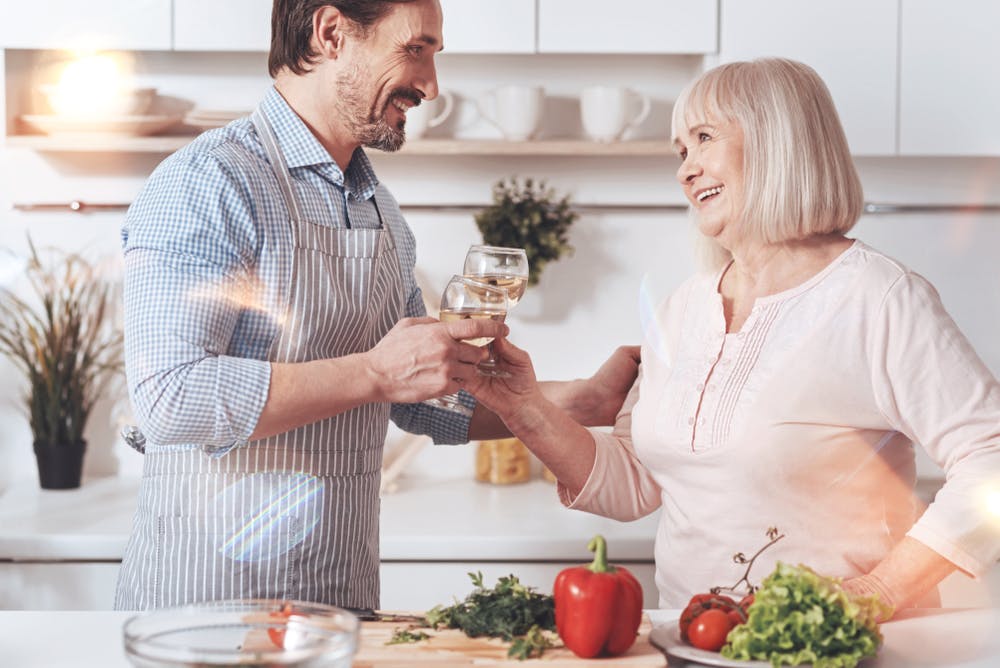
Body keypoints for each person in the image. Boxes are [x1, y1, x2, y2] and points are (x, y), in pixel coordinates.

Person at [114, 0, 639, 612]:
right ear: (333, 33)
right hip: (207, 611)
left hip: (339, 603)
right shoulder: (209, 182)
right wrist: (373, 372)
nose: (432, 86)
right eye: (416, 49)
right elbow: (169, 398)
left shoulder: (379, 210)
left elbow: (428, 402)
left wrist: (583, 401)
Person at [469, 57, 1000, 616]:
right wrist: (524, 409)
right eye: (681, 150)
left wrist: (878, 593)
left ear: (779, 142)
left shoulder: (879, 297)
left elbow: (991, 454)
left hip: (848, 647)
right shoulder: (683, 309)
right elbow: (633, 483)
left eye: (703, 138)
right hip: (698, 640)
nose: (686, 169)